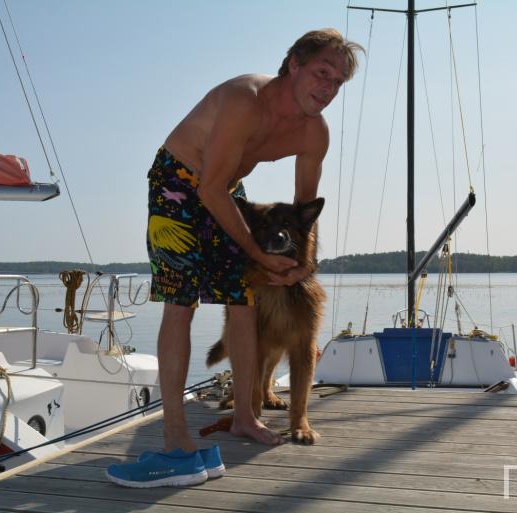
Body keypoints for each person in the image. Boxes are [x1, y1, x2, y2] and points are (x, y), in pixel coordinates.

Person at [106, 28, 362, 488]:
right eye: (322, 73)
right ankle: (176, 437)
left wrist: (304, 265)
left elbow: (305, 211)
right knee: (180, 304)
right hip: (179, 182)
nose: (328, 88)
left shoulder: (314, 132)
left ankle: (246, 415)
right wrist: (257, 253)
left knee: (243, 301)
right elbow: (207, 188)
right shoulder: (246, 99)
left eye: (338, 82)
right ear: (294, 64)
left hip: (226, 188)